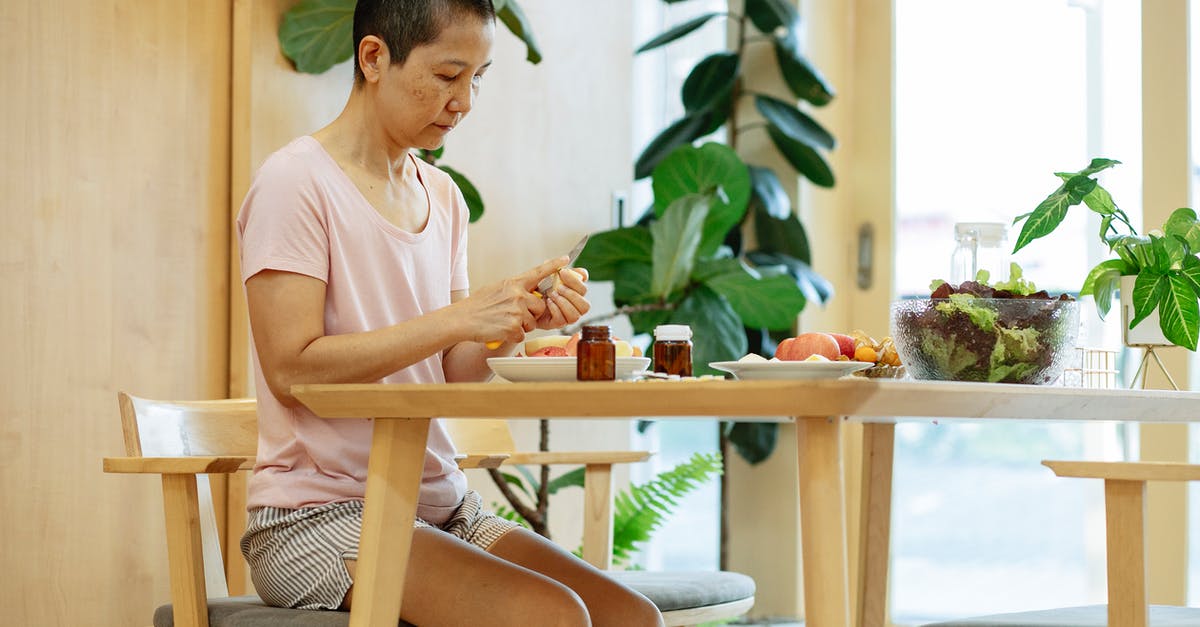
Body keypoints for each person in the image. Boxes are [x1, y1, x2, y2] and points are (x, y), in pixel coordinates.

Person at [234, 1, 665, 625]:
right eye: (446, 76)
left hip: (440, 506)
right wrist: (460, 320)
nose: (464, 101)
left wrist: (517, 321)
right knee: (553, 616)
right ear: (374, 57)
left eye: (478, 77)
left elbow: (454, 372)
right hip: (315, 518)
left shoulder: (443, 196)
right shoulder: (294, 183)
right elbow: (291, 370)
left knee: (633, 618)